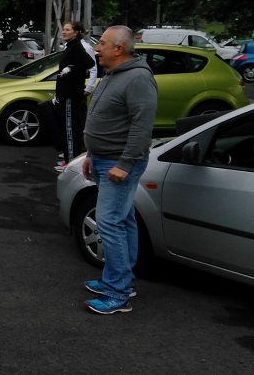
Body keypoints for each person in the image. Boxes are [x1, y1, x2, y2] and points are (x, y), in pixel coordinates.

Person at [81, 25, 157, 314]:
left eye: (101, 43)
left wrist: (124, 164)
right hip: (103, 158)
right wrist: (92, 153)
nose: (97, 48)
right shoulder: (113, 74)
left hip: (120, 163)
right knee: (123, 220)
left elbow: (142, 126)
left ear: (118, 49)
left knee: (110, 222)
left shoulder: (138, 78)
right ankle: (121, 279)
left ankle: (118, 293)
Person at [53, 21, 96, 171]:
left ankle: (70, 162)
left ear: (76, 32)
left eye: (68, 30)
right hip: (65, 93)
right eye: (63, 29)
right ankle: (68, 158)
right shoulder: (70, 46)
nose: (64, 32)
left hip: (71, 94)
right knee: (67, 127)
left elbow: (90, 62)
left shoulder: (78, 46)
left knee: (70, 127)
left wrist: (71, 69)